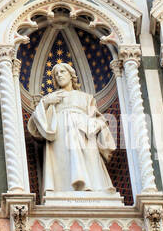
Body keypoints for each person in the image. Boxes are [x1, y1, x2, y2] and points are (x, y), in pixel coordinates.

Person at [26, 61, 117, 194]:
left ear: (71, 75)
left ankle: (93, 188)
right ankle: (63, 191)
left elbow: (97, 118)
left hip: (83, 133)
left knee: (90, 161)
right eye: (56, 74)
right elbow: (35, 126)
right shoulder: (50, 98)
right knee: (64, 163)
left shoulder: (86, 98)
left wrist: (94, 125)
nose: (59, 75)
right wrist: (45, 103)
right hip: (60, 133)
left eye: (62, 72)